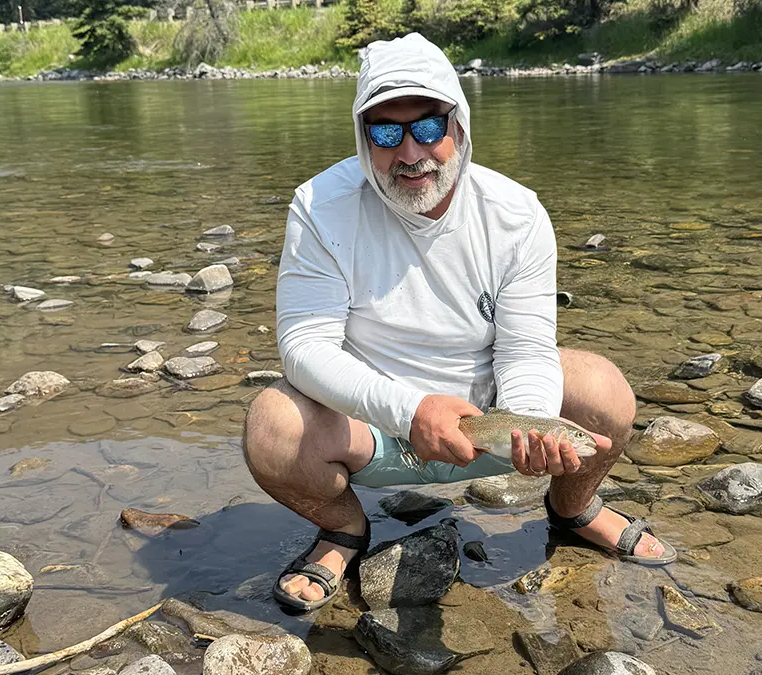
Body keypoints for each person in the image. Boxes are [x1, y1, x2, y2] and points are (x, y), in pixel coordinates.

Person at [243, 32, 677, 613]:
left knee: (605, 392)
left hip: (489, 421)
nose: (410, 152)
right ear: (362, 136)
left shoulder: (515, 212)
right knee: (271, 426)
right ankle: (344, 531)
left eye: (428, 126)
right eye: (385, 131)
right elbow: (303, 347)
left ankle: (573, 510)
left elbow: (525, 351)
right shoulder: (320, 205)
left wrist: (533, 428)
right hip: (369, 426)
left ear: (460, 126)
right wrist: (412, 410)